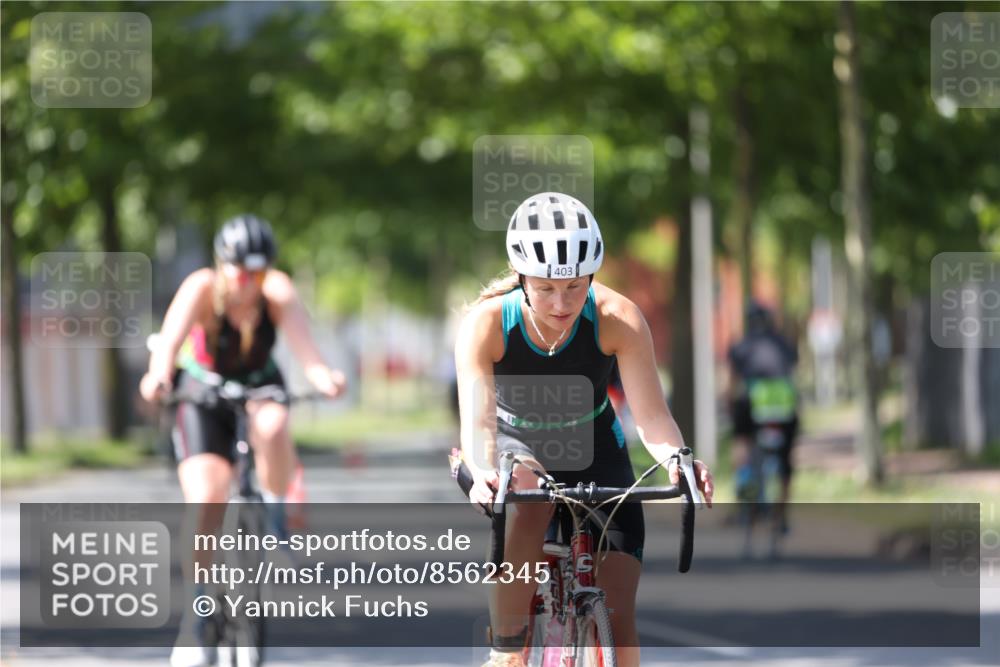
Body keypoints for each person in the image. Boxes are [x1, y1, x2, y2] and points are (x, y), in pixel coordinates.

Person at [455, 192, 714, 667]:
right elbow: (479, 423)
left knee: (620, 616)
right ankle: (507, 652)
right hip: (518, 442)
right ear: (520, 278)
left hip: (595, 443)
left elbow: (653, 417)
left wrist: (680, 460)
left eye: (575, 287)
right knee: (530, 502)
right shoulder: (486, 324)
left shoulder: (617, 318)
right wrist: (481, 468)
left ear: (592, 276)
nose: (561, 302)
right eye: (546, 287)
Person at [139, 214, 346, 667]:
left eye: (259, 271)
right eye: (240, 271)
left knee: (273, 425)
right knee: (207, 497)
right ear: (223, 264)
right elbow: (169, 344)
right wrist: (156, 377)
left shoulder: (278, 292)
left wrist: (324, 377)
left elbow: (306, 351)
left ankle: (273, 519)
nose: (249, 282)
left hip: (258, 385)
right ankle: (196, 619)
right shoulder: (200, 288)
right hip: (202, 390)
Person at [728, 301, 799, 525]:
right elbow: (792, 373)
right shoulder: (783, 344)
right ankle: (782, 514)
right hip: (784, 408)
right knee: (787, 460)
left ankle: (744, 483)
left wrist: (730, 407)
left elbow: (732, 385)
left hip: (753, 404)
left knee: (741, 441)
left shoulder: (742, 346)